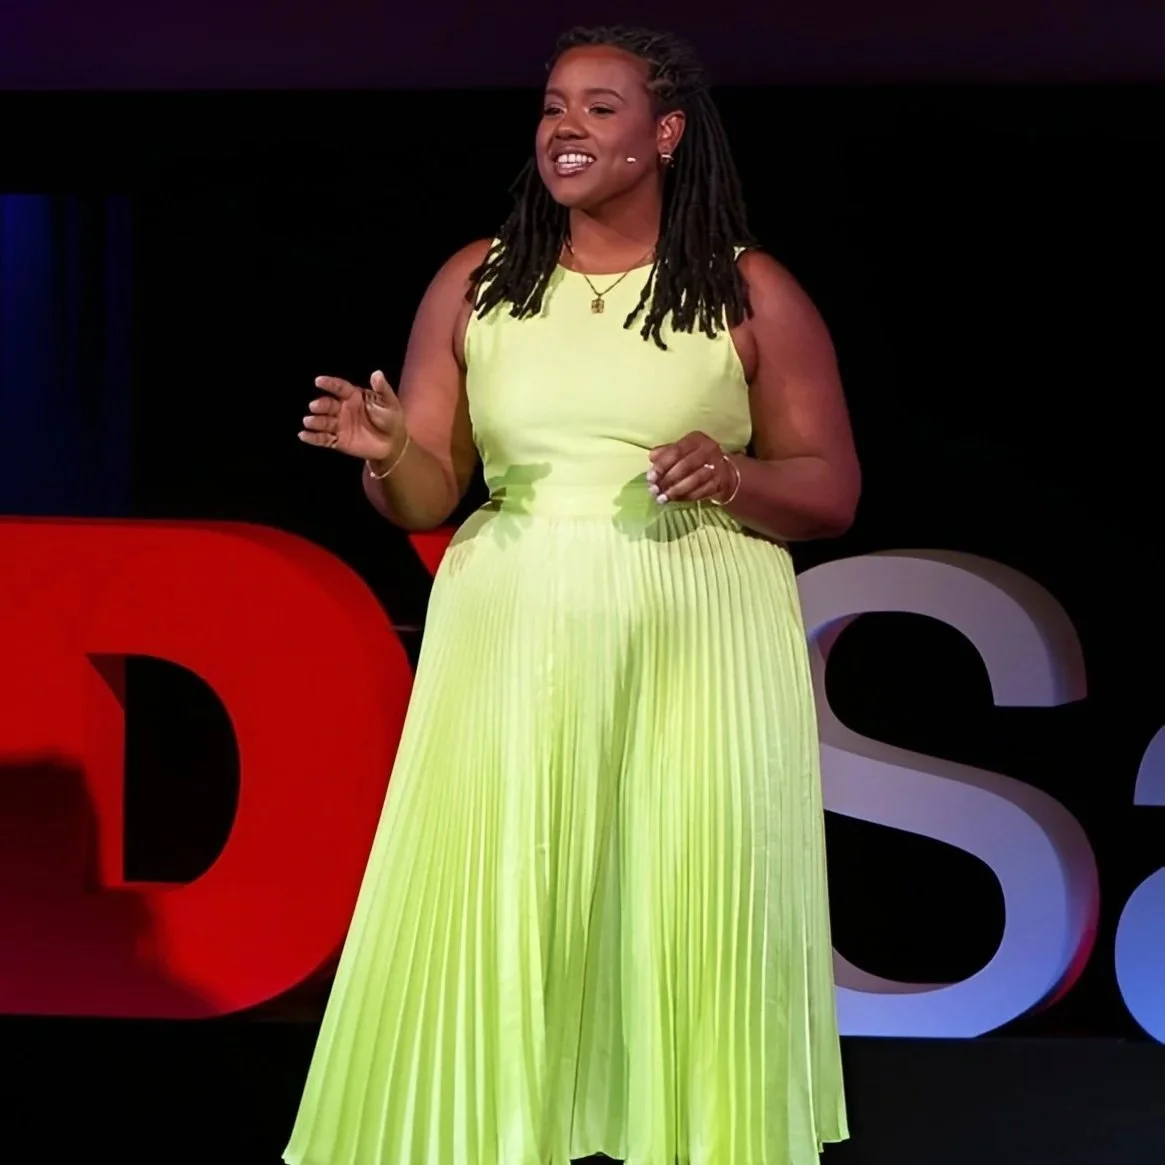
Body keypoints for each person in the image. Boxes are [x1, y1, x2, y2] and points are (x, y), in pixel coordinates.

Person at [286, 24, 859, 1165]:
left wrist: (734, 474)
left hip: (697, 636)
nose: (564, 127)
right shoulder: (477, 280)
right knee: (500, 897)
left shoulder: (746, 289)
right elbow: (429, 494)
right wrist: (389, 449)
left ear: (665, 134)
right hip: (513, 629)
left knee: (688, 902)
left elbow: (831, 489)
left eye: (599, 108)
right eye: (553, 106)